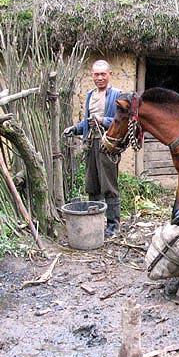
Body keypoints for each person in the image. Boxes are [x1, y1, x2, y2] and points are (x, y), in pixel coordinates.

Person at [63, 60, 122, 237]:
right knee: (93, 185)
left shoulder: (117, 95)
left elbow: (123, 121)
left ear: (109, 74)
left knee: (109, 185)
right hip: (90, 144)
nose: (100, 78)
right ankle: (96, 222)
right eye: (96, 74)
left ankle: (113, 224)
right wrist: (75, 128)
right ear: (92, 76)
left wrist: (104, 120)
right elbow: (87, 121)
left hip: (107, 146)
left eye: (103, 74)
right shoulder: (90, 95)